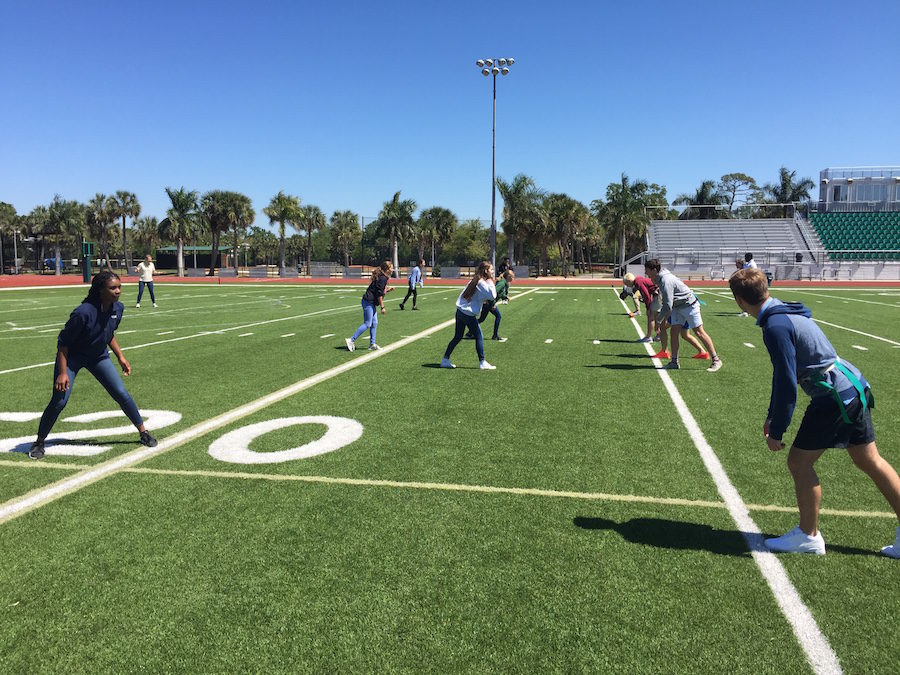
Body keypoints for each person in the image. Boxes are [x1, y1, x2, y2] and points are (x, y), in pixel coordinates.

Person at [729, 267, 900, 557]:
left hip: (834, 397)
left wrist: (778, 428)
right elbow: (787, 374)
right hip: (851, 386)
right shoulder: (782, 311)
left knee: (798, 463)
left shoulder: (775, 326)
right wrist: (772, 414)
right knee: (869, 460)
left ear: (740, 301)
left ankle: (808, 535)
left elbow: (786, 380)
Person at [28, 271, 157, 459]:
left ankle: (143, 432)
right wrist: (62, 373)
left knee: (121, 393)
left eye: (119, 287)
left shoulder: (117, 309)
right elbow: (63, 343)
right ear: (100, 290)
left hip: (98, 356)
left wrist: (120, 357)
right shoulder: (83, 313)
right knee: (60, 400)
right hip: (72, 358)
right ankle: (39, 442)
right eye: (113, 288)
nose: (118, 291)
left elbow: (108, 333)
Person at [645, 258, 722, 372]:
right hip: (678, 306)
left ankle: (716, 360)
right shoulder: (660, 278)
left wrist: (658, 321)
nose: (646, 273)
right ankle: (674, 362)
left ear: (655, 270)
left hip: (689, 305)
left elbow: (667, 304)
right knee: (674, 332)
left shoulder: (665, 280)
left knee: (699, 332)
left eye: (647, 271)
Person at [441, 261, 497, 370]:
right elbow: (492, 296)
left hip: (460, 312)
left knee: (457, 337)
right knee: (479, 336)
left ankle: (445, 359)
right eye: (491, 269)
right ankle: (482, 362)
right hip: (468, 314)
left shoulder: (475, 280)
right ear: (486, 271)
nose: (493, 271)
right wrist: (491, 281)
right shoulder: (482, 282)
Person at [346, 261, 394, 352]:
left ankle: (372, 344)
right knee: (368, 323)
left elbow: (378, 291)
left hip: (370, 302)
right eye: (391, 268)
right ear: (387, 269)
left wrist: (388, 290)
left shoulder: (383, 277)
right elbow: (379, 294)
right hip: (368, 302)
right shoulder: (383, 278)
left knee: (374, 323)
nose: (393, 269)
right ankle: (351, 340)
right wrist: (382, 307)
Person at [466, 269, 514, 341]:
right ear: (509, 276)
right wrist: (493, 304)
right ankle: (495, 335)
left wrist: (505, 297)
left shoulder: (504, 282)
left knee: (482, 319)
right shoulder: (502, 283)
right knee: (498, 316)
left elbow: (500, 293)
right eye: (512, 277)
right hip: (489, 303)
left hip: (488, 303)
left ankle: (470, 332)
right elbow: (494, 292)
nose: (513, 278)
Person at [622, 272, 660, 342]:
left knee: (651, 317)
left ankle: (649, 337)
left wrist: (648, 308)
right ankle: (658, 336)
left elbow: (646, 296)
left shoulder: (638, 283)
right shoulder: (638, 279)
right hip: (659, 293)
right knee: (656, 317)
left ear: (630, 281)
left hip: (658, 294)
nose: (628, 286)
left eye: (627, 284)